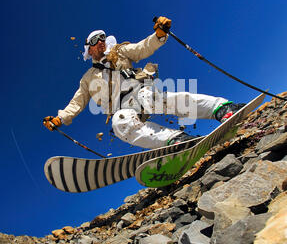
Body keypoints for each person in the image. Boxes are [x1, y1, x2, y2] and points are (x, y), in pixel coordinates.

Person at [43, 16, 244, 149]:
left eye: (103, 37)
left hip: (139, 91)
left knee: (157, 99)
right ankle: (175, 141)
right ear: (89, 49)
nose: (101, 41)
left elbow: (141, 49)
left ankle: (222, 109)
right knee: (120, 124)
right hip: (122, 107)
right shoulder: (87, 78)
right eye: (95, 40)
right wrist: (61, 119)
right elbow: (77, 102)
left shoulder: (119, 52)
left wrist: (159, 35)